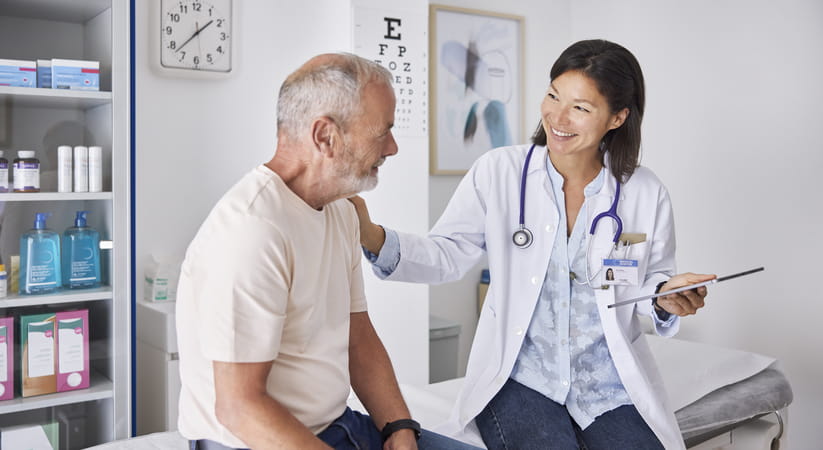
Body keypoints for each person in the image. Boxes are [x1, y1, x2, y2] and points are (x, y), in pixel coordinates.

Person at [351, 40, 716, 450]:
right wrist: (372, 234)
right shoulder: (500, 172)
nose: (557, 117)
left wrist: (665, 297)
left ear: (617, 117)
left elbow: (653, 279)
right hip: (520, 379)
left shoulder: (644, 192)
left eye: (580, 107)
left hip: (608, 387)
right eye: (553, 95)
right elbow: (448, 255)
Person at [175, 53, 479, 450]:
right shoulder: (251, 231)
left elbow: (358, 338)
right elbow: (239, 407)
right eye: (382, 131)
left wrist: (399, 427)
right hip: (253, 440)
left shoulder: (341, 210)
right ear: (325, 137)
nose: (393, 147)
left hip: (336, 426)